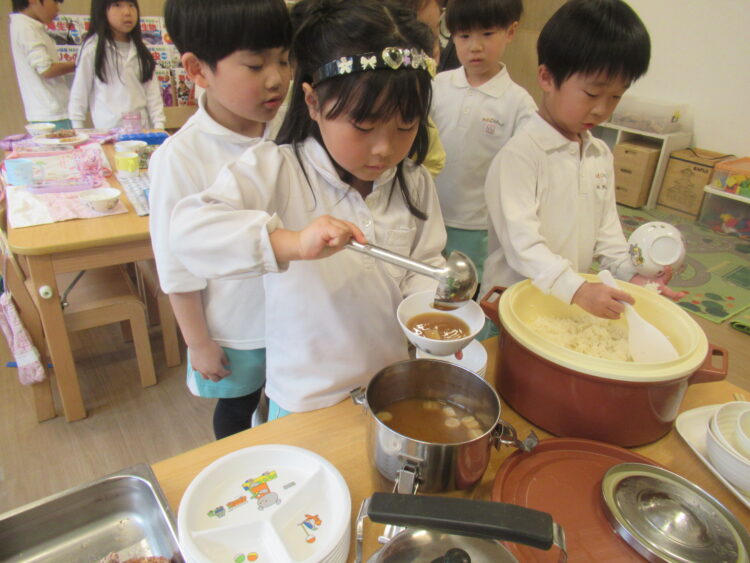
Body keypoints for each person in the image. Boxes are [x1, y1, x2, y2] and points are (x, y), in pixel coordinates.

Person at [169, 0, 447, 420]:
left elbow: (424, 264)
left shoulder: (413, 181)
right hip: (305, 397)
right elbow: (188, 233)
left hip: (387, 384)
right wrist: (293, 243)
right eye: (364, 126)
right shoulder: (276, 169)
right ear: (313, 102)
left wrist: (433, 313)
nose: (384, 148)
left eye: (405, 126)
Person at [481, 0, 684, 330]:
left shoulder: (599, 154)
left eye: (616, 97)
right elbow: (522, 247)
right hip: (513, 305)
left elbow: (608, 236)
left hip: (564, 305)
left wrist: (633, 275)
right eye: (591, 94)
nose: (602, 109)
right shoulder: (520, 156)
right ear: (547, 77)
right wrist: (576, 289)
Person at [149, 0, 292, 439]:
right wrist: (198, 342)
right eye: (255, 65)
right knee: (237, 409)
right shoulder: (180, 157)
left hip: (294, 317)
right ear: (198, 70)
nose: (277, 78)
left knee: (289, 407)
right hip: (235, 329)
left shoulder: (290, 130)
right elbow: (176, 266)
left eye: (285, 59)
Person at [431, 0, 536, 283]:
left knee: (464, 287)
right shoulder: (437, 86)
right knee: (424, 281)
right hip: (429, 213)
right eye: (464, 36)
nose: (475, 47)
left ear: (510, 32)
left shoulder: (518, 103)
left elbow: (524, 171)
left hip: (476, 223)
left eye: (487, 34)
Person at [68, 0, 165, 130]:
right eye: (117, 5)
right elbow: (80, 92)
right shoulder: (92, 48)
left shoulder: (142, 50)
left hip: (141, 131)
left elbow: (152, 93)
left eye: (131, 5)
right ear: (102, 10)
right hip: (108, 132)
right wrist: (77, 127)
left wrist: (159, 125)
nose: (127, 12)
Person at [9, 0, 75, 129]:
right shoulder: (25, 27)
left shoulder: (29, 25)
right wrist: (80, 63)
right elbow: (47, 70)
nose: (58, 8)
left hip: (51, 112)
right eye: (55, 2)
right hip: (50, 114)